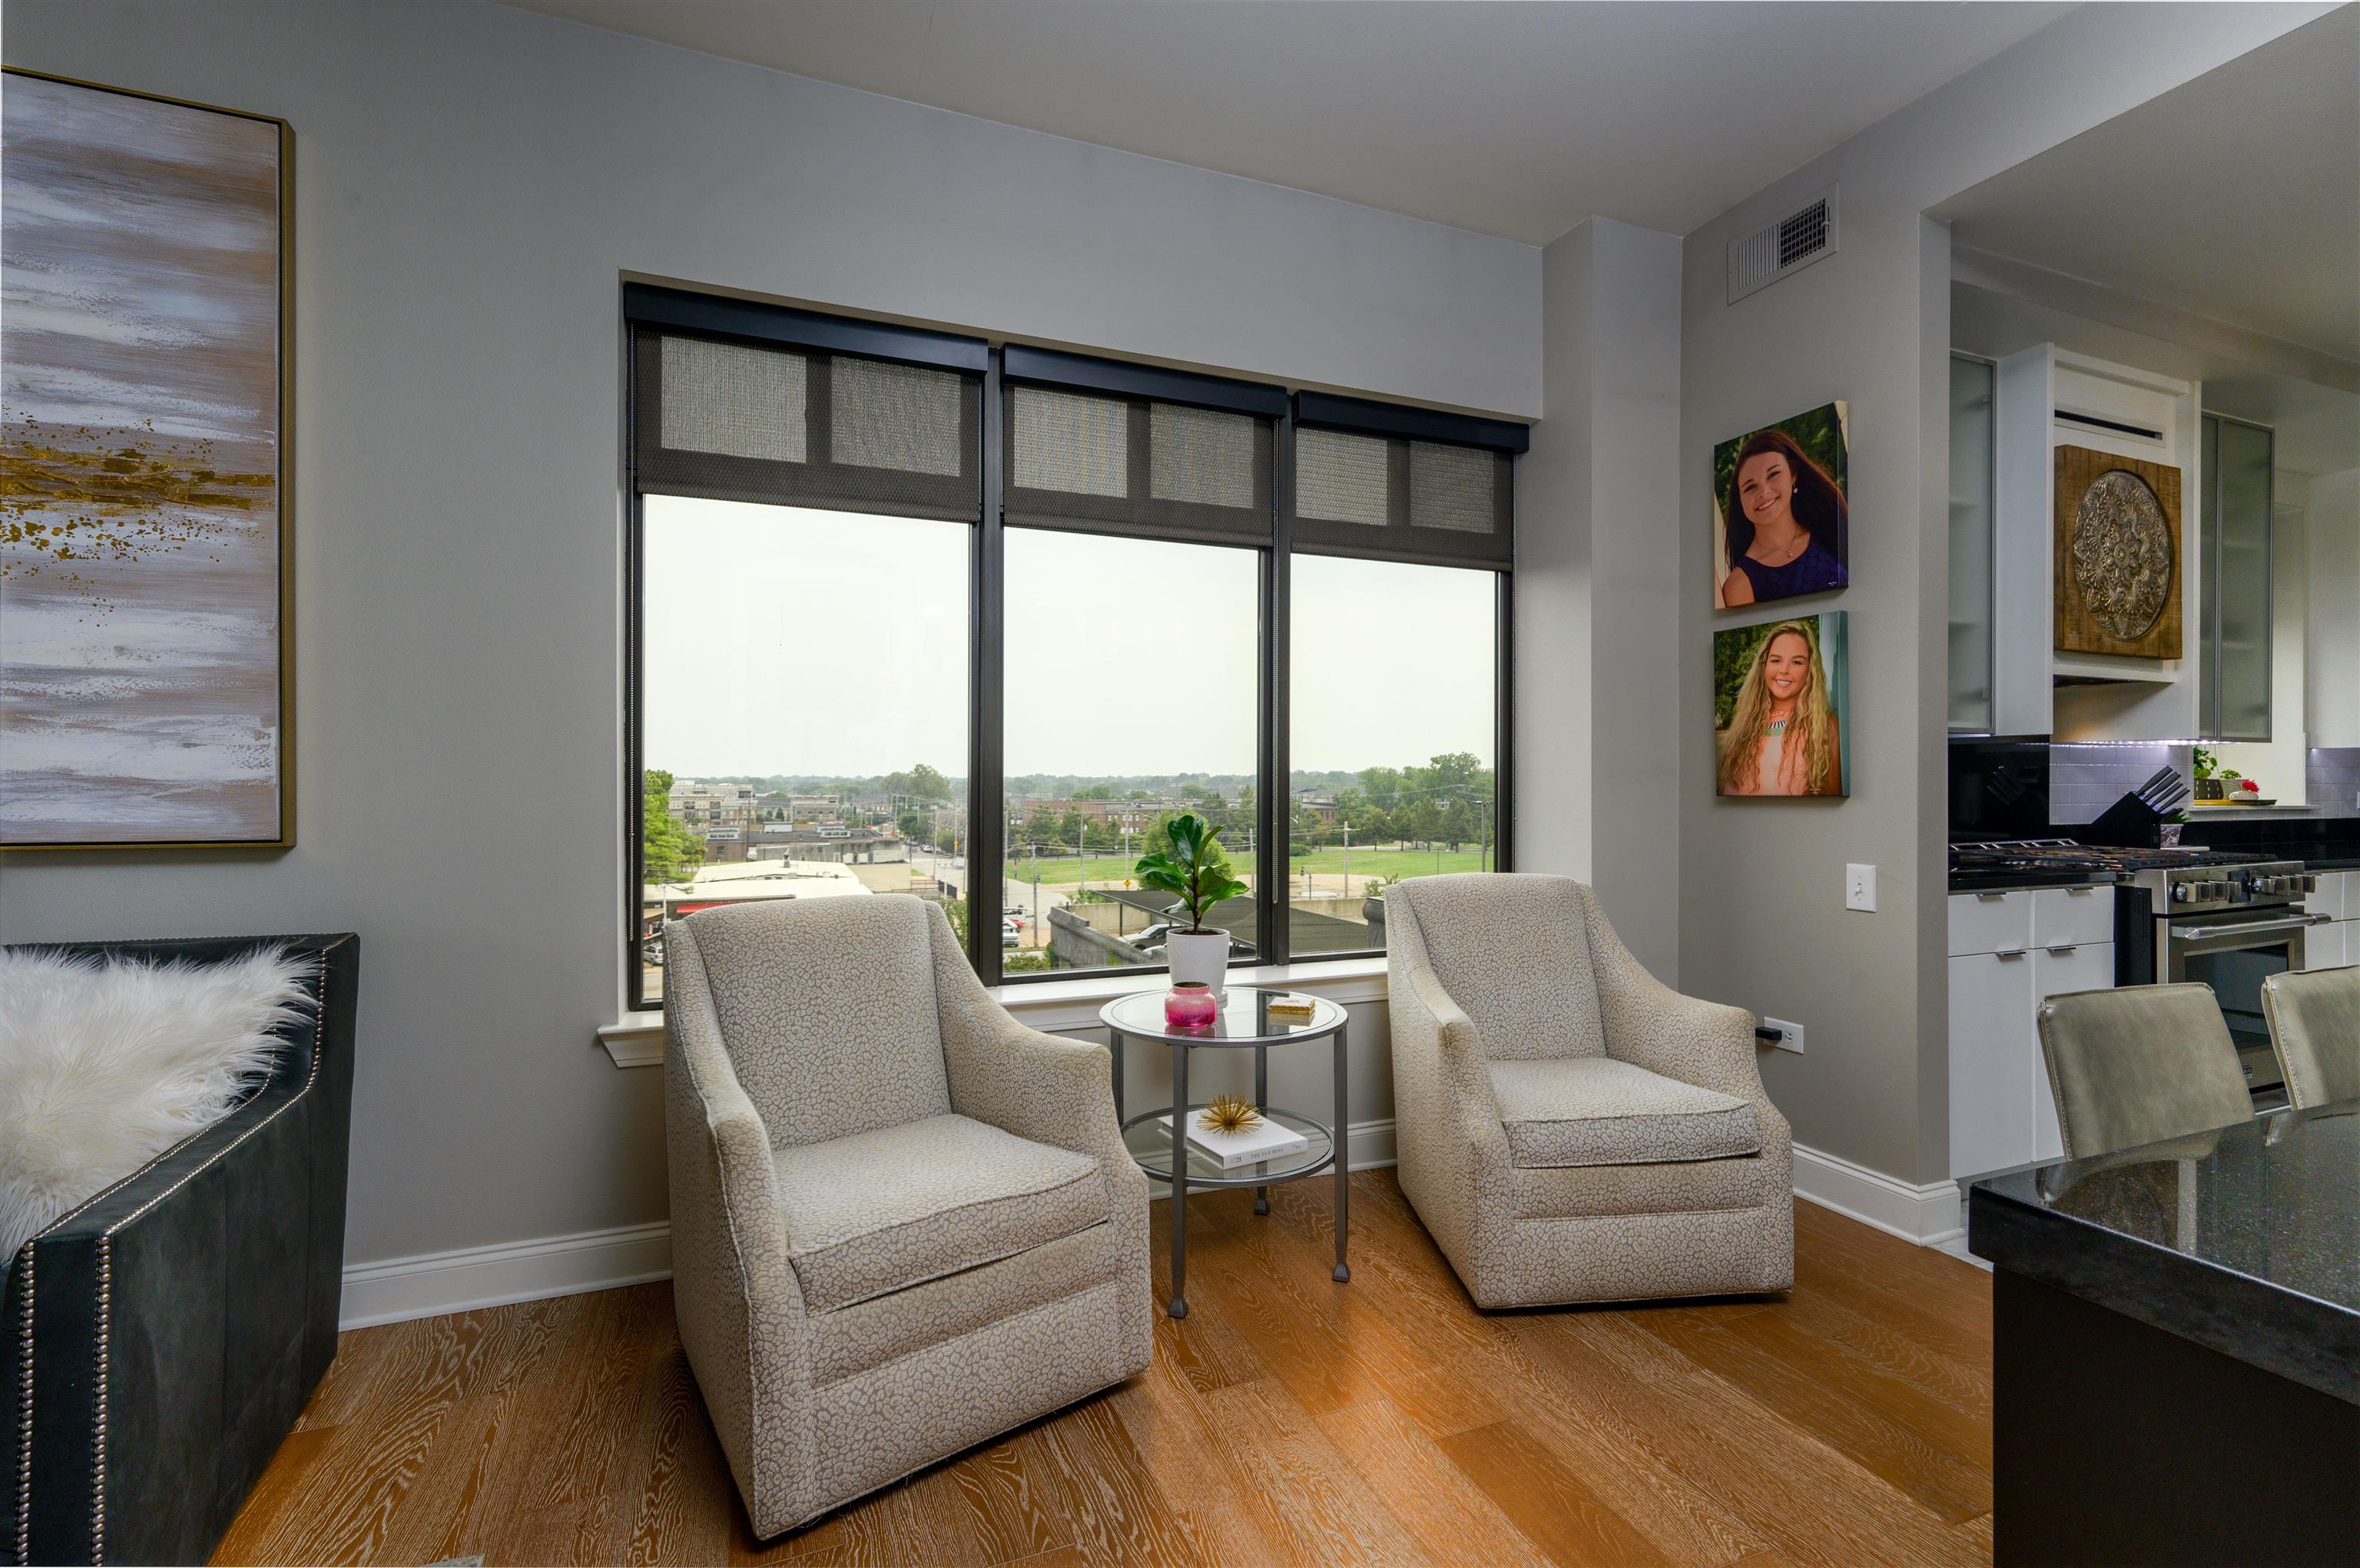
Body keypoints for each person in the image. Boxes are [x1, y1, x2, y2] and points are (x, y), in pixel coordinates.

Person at [1717, 428, 1847, 606]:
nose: (1764, 492)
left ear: (1793, 475)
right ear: (1740, 501)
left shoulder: (1829, 529)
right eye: (1750, 487)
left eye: (1773, 475)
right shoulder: (1740, 585)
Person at [1718, 622, 1842, 797]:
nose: (1784, 670)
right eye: (1776, 660)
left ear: (1810, 670)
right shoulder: (1745, 724)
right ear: (1764, 665)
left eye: (1796, 662)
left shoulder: (1825, 726)